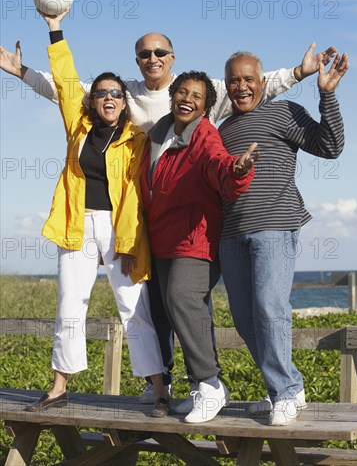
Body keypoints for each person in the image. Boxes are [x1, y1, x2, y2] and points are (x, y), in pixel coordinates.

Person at [0, 36, 337, 402]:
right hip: (139, 219)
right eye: (144, 53)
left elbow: (254, 82)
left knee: (174, 301)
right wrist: (24, 69)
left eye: (160, 52)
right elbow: (65, 87)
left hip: (165, 223)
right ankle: (160, 382)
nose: (152, 58)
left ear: (173, 59)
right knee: (152, 303)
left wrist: (301, 72)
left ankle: (216, 383)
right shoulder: (121, 94)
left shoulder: (199, 102)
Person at [25, 10, 168, 418]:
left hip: (120, 230)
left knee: (134, 308)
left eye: (117, 93)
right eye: (102, 92)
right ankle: (59, 387)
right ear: (93, 100)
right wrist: (55, 27)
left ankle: (158, 389)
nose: (109, 97)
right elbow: (65, 80)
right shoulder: (79, 126)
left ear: (126, 103)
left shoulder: (137, 140)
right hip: (76, 224)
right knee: (70, 305)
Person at [218, 50, 348, 426]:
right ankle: (284, 388)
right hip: (231, 233)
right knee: (244, 318)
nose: (241, 87)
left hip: (274, 225)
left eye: (248, 79)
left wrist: (327, 95)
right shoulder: (222, 128)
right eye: (233, 81)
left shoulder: (282, 112)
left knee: (269, 308)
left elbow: (331, 146)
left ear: (262, 81)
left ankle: (287, 392)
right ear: (226, 85)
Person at [140, 70, 258, 423]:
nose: (187, 99)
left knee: (182, 297)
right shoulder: (158, 133)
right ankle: (198, 385)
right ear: (172, 95)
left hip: (197, 236)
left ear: (206, 107)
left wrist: (237, 171)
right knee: (176, 310)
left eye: (197, 96)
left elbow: (218, 163)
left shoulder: (204, 135)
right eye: (183, 92)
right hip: (162, 238)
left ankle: (210, 384)